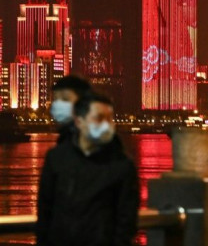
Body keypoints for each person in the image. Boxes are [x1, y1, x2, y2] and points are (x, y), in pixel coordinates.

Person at [37, 93, 139, 246]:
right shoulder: (57, 159)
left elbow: (127, 221)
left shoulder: (122, 166)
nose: (106, 125)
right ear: (79, 121)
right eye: (98, 118)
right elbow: (45, 212)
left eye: (109, 119)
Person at [49, 74, 92, 144]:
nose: (59, 104)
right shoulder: (65, 139)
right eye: (55, 99)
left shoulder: (100, 143)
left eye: (65, 99)